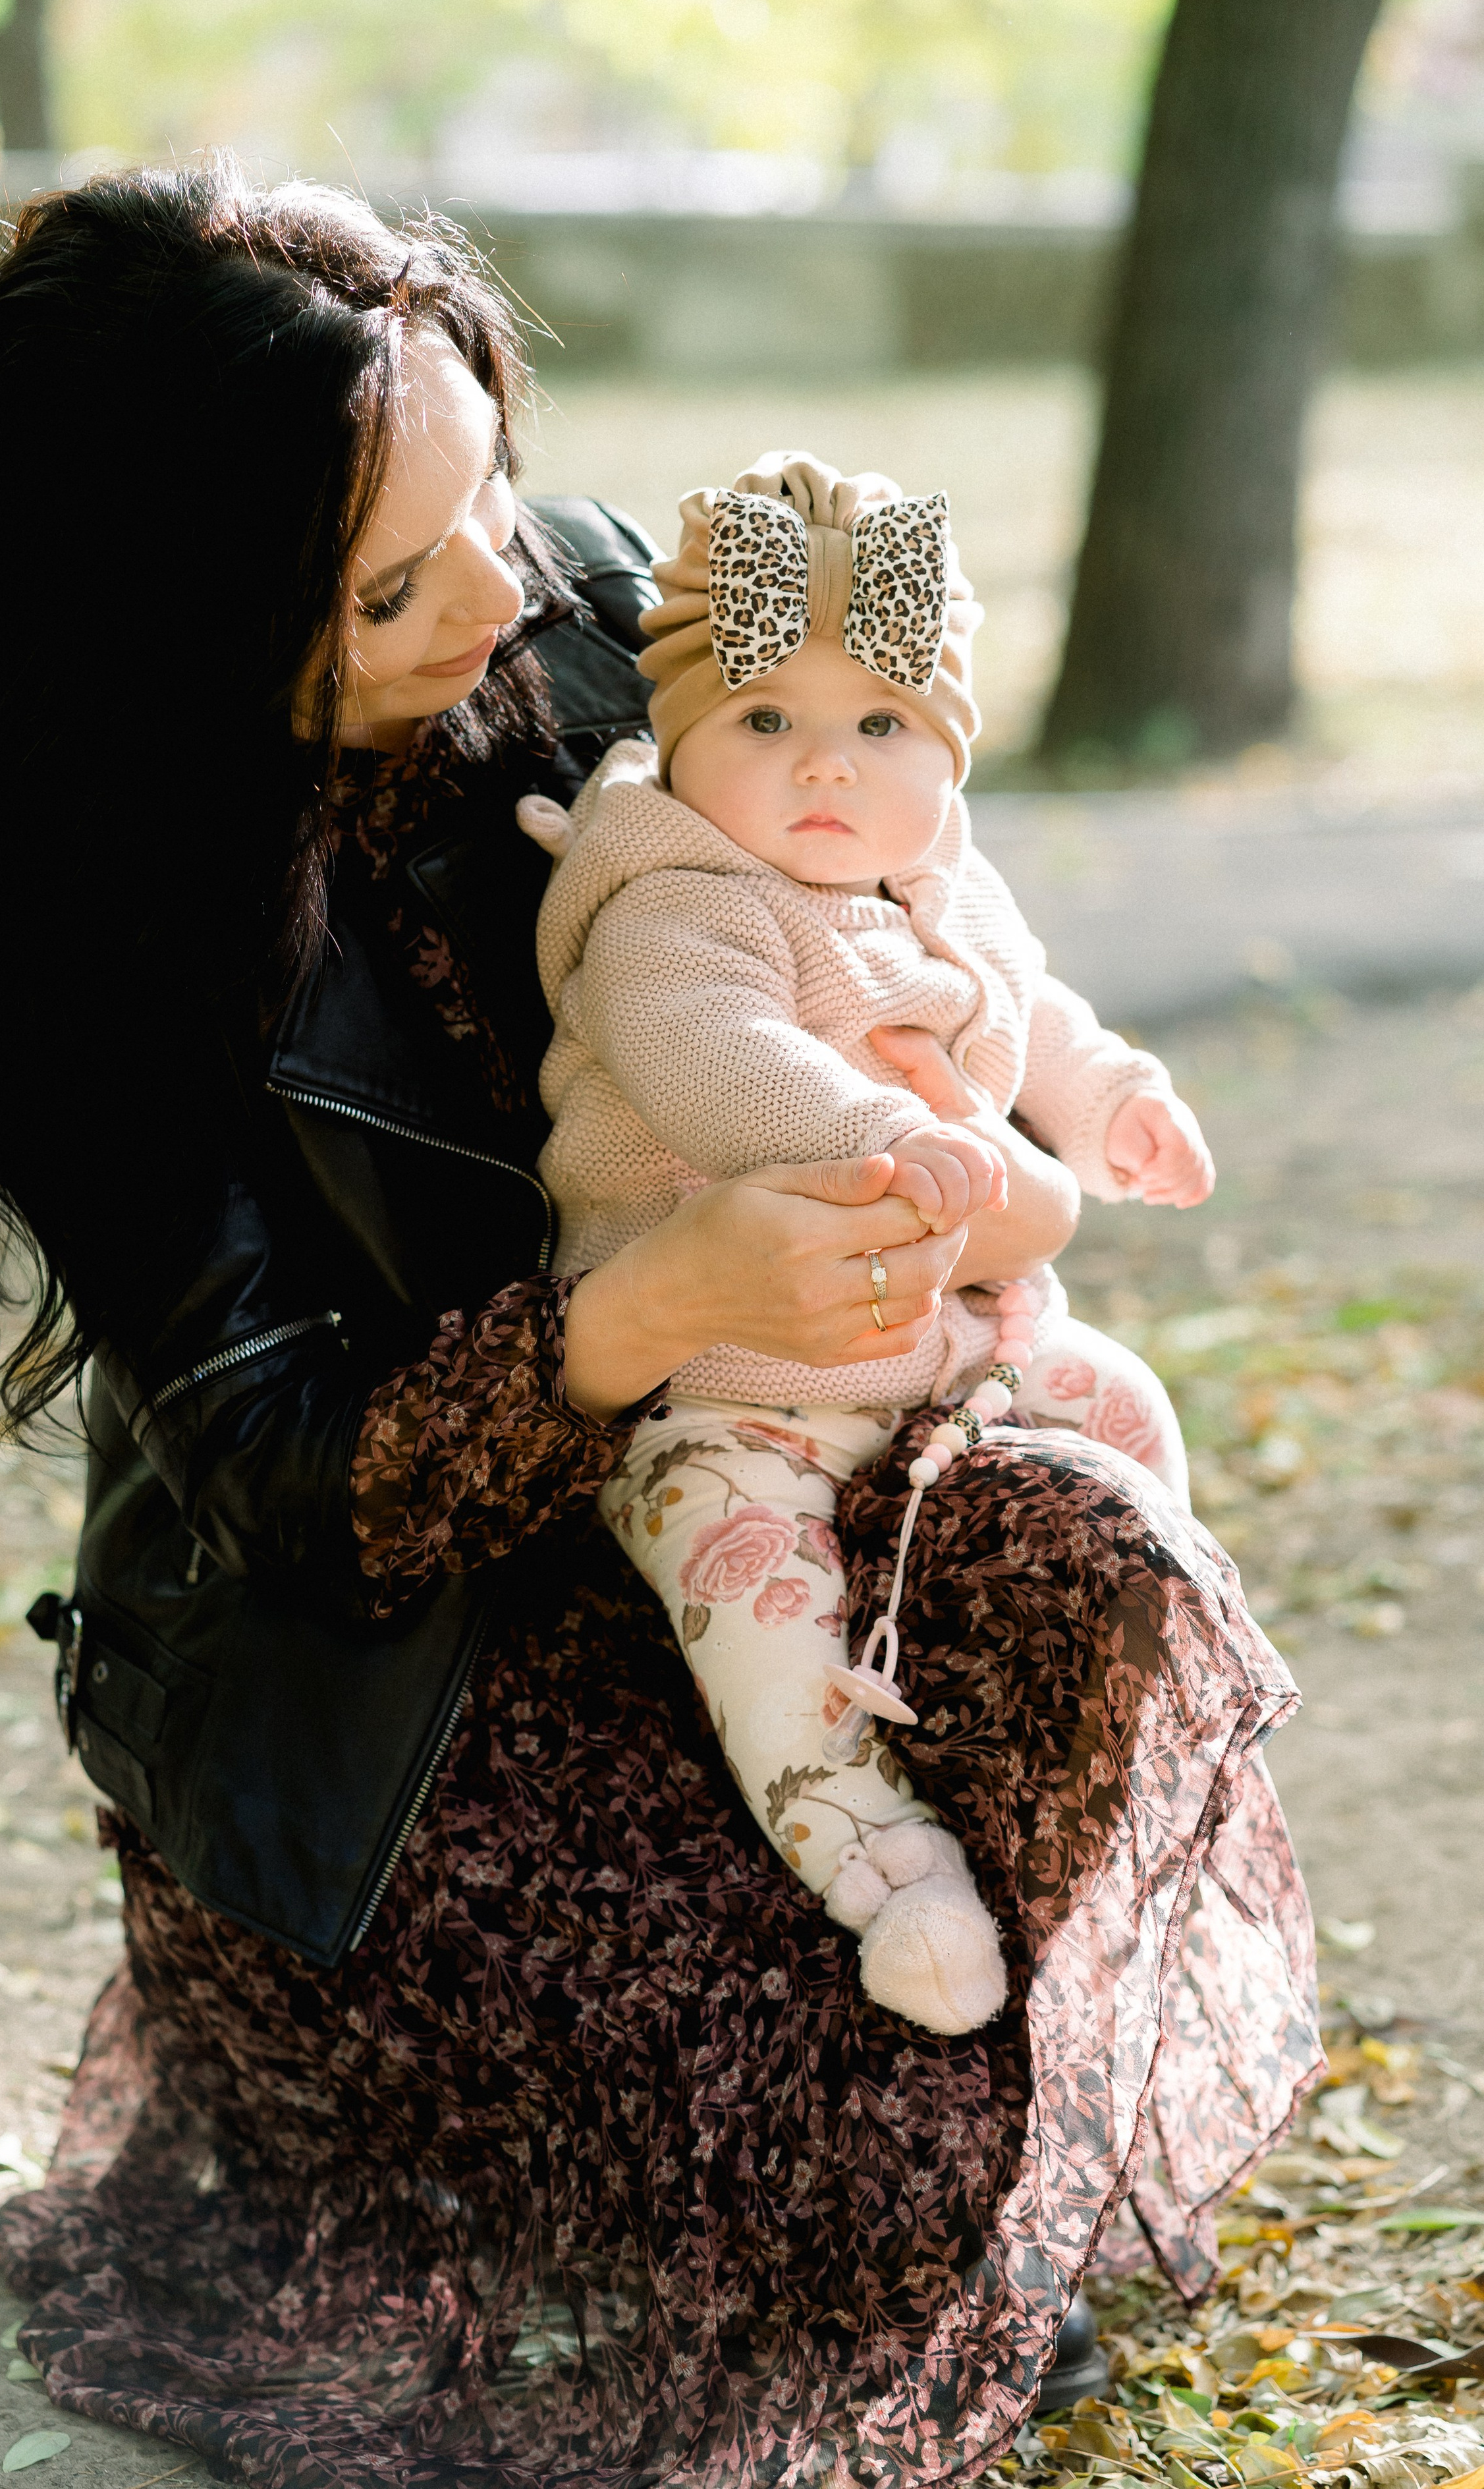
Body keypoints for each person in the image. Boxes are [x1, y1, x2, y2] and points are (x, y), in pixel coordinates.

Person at [0, 161, 1321, 2488]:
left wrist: (1032, 1097)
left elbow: (913, 841)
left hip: (763, 1447)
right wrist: (646, 1308)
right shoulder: (84, 938)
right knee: (881, 2163)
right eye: (400, 583)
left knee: (1104, 1587)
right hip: (400, 1693)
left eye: (491, 485)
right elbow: (301, 1493)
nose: (511, 587)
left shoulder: (614, 610)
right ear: (185, 639)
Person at [516, 451, 1218, 2040]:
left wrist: (1107, 1102)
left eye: (879, 727)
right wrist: (879, 1136)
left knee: (1119, 1404)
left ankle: (1154, 1711)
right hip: (731, 1380)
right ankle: (881, 1869)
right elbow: (712, 1054)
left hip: (949, 1344)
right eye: (764, 722)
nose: (822, 768)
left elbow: (1028, 1009)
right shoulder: (673, 900)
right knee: (751, 1593)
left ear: (943, 758)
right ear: (679, 742)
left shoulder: (934, 881)